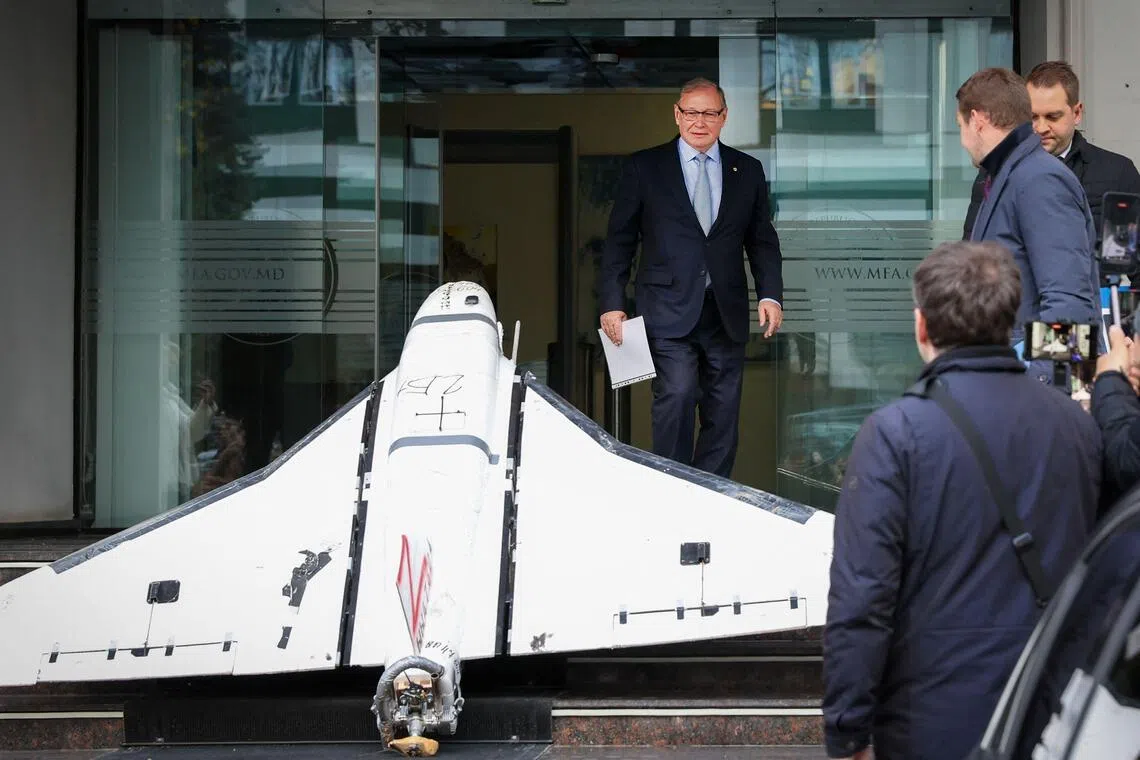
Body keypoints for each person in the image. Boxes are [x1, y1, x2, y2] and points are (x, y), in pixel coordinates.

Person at [822, 241, 1101, 760]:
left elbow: (862, 599)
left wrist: (847, 729)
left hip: (931, 720)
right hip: (1050, 715)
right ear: (1009, 321)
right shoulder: (1077, 429)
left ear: (922, 327)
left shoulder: (894, 434)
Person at [597, 77, 783, 478]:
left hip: (725, 312)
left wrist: (770, 295)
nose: (700, 121)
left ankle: (711, 494)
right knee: (677, 395)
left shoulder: (747, 170)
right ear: (677, 115)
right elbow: (619, 241)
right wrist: (612, 303)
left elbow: (762, 240)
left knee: (723, 411)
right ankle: (673, 485)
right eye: (691, 112)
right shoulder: (645, 167)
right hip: (667, 309)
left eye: (710, 113)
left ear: (724, 117)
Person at [958, 67, 1102, 375]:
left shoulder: (1039, 179)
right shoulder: (1010, 176)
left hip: (1035, 395)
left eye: (960, 127)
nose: (963, 141)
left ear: (977, 120)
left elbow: (1070, 306)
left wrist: (1037, 389)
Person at [965, 61, 1140, 247]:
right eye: (1032, 117)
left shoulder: (1118, 173)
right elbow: (973, 249)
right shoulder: (995, 171)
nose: (1040, 128)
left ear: (1077, 113)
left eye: (1052, 117)